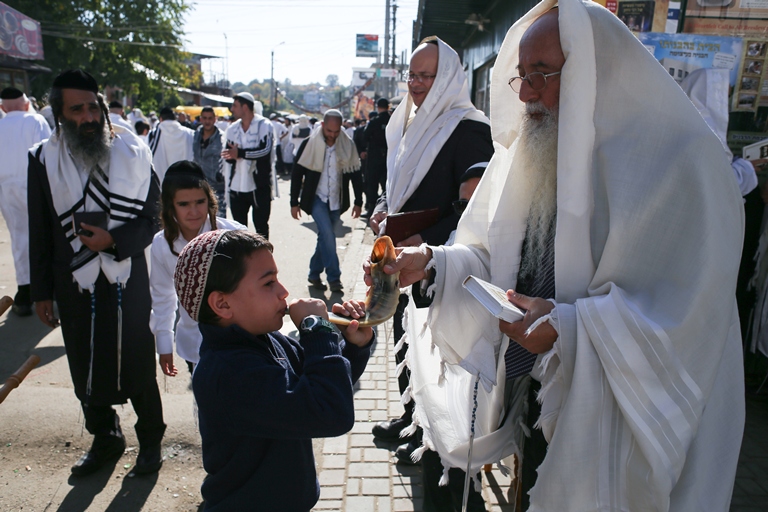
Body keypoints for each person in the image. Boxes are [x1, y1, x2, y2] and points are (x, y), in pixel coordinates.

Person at [371, 2, 745, 510]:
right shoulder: (529, 150)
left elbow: (690, 320)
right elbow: (495, 257)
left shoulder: (683, 162)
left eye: (542, 74)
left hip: (616, 429)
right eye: (521, 76)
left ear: (596, 69)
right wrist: (434, 261)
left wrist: (569, 328)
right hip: (538, 397)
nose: (526, 93)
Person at [174, 229, 373, 511]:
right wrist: (318, 330)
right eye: (268, 283)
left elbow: (323, 386)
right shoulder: (227, 374)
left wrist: (353, 346)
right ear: (222, 304)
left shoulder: (264, 338)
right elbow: (330, 411)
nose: (283, 292)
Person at [28, 69, 166, 476]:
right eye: (77, 110)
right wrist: (41, 291)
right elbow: (40, 229)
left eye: (93, 107)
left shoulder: (134, 152)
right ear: (59, 115)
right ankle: (105, 437)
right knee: (85, 360)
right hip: (73, 279)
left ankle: (150, 441)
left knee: (137, 361)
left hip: (127, 276)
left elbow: (154, 216)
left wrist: (114, 241)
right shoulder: (42, 159)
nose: (88, 117)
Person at [368, 36, 493, 466]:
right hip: (404, 258)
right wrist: (382, 208)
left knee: (436, 356)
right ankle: (411, 419)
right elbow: (396, 185)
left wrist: (425, 239)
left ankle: (434, 439)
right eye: (412, 75)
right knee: (406, 342)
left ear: (449, 79)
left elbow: (475, 209)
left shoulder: (471, 129)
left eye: (427, 76)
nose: (416, 84)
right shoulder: (409, 123)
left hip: (441, 263)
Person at [150, 161, 245, 377]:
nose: (194, 212)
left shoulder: (235, 235)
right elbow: (163, 296)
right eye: (184, 204)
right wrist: (164, 343)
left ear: (209, 200)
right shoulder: (162, 244)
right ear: (170, 206)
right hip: (194, 344)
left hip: (239, 340)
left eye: (200, 202)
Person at [290, 110, 364, 293]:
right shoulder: (309, 143)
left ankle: (314, 273)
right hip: (316, 199)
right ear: (322, 126)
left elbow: (356, 175)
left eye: (336, 131)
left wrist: (358, 201)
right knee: (329, 235)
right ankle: (334, 278)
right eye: (329, 131)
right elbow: (297, 173)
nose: (332, 135)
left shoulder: (347, 145)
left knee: (324, 237)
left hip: (337, 200)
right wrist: (294, 202)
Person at [0, 87, 51, 316]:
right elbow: (48, 153)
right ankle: (48, 288)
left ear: (3, 107)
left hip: (6, 187)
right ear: (26, 104)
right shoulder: (35, 121)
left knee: (19, 236)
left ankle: (24, 291)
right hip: (34, 184)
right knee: (45, 234)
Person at [222, 92, 275, 239]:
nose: (232, 109)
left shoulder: (264, 125)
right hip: (236, 186)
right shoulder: (232, 129)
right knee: (239, 231)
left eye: (235, 105)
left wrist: (240, 153)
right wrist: (232, 155)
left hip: (259, 185)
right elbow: (228, 154)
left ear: (245, 107)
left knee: (261, 227)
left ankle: (263, 255)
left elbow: (265, 151)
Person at [193, 106, 227, 217]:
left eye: (210, 118)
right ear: (200, 119)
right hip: (199, 185)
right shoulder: (195, 135)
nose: (207, 121)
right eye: (204, 118)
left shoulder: (222, 138)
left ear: (215, 119)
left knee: (219, 221)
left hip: (217, 187)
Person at [362, 97, 391, 218]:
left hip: (374, 157)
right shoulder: (392, 120)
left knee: (372, 184)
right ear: (388, 107)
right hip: (389, 157)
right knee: (388, 185)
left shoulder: (374, 121)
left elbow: (365, 136)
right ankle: (388, 209)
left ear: (377, 107)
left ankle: (371, 210)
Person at [148, 106, 194, 181]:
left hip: (161, 182)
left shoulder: (153, 135)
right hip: (186, 180)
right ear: (175, 118)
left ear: (160, 119)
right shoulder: (190, 133)